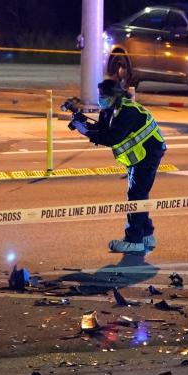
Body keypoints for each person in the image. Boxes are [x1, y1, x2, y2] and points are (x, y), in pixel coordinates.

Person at [69, 79, 166, 253]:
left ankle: (134, 240)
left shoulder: (127, 111)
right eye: (100, 95)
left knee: (136, 196)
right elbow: (103, 129)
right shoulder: (109, 110)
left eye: (104, 95)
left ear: (115, 95)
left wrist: (87, 133)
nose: (101, 99)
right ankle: (145, 235)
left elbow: (112, 138)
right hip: (138, 156)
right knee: (139, 195)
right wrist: (83, 124)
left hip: (149, 154)